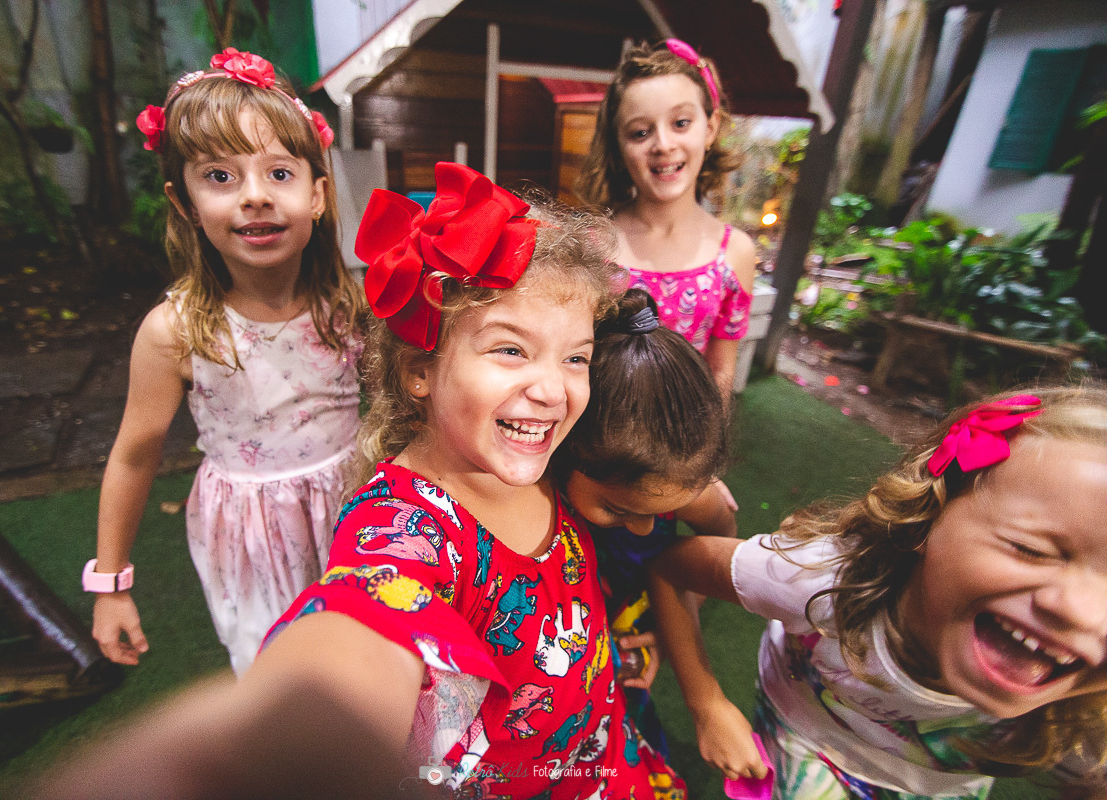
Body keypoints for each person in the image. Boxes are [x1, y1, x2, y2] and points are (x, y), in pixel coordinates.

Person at [37, 163, 684, 800]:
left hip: (608, 760)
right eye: (510, 349)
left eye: (575, 357)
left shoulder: (555, 462)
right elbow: (366, 615)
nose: (551, 389)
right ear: (419, 371)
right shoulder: (406, 525)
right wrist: (301, 726)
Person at [655, 386, 1107, 798]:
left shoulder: (1088, 701)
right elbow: (670, 566)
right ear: (930, 513)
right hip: (807, 735)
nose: (1082, 613)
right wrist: (707, 703)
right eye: (1031, 549)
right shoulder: (820, 580)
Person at [87, 48, 364, 675]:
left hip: (356, 516)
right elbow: (133, 454)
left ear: (318, 194)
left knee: (368, 664)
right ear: (182, 201)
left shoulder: (349, 307)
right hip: (251, 540)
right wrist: (110, 583)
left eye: (279, 174)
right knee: (280, 680)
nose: (255, 198)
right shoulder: (175, 331)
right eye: (220, 176)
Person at [552, 288, 767, 783]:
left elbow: (698, 557)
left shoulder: (695, 495)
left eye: (665, 510)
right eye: (618, 508)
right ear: (564, 447)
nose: (648, 528)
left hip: (631, 621)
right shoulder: (539, 495)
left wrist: (667, 642)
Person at [576, 38, 757, 402]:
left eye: (680, 122)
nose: (662, 144)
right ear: (618, 147)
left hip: (684, 444)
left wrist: (707, 453)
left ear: (709, 127)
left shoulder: (735, 252)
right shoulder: (593, 243)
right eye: (640, 132)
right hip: (594, 440)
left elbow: (721, 371)